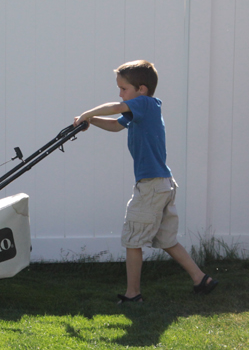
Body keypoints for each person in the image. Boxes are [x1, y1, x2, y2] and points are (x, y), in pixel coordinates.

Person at [74, 59, 218, 305]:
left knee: (132, 239)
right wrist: (91, 122)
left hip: (151, 186)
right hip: (161, 183)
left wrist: (90, 112)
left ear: (141, 89)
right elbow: (116, 126)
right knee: (167, 240)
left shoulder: (144, 103)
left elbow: (114, 107)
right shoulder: (142, 109)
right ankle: (201, 279)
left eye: (124, 89)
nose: (120, 94)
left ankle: (133, 294)